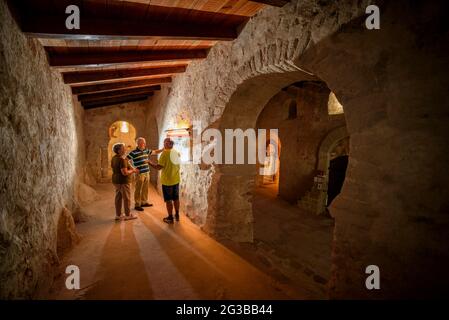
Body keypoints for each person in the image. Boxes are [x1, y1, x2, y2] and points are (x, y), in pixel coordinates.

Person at [148, 138, 181, 224]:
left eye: (165, 143)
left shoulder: (165, 154)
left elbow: (158, 167)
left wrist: (149, 162)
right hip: (176, 179)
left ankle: (170, 218)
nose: (164, 144)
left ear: (168, 144)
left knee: (169, 200)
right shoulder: (176, 152)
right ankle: (177, 215)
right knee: (176, 198)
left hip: (167, 181)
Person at [127, 137, 163, 211]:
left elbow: (155, 152)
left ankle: (144, 202)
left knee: (145, 188)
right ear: (138, 143)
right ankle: (137, 204)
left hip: (147, 172)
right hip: (139, 173)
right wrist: (133, 169)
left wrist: (162, 149)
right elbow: (126, 160)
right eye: (143, 142)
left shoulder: (146, 150)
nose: (144, 144)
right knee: (138, 189)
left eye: (144, 142)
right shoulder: (133, 152)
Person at [111, 143, 139, 221]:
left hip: (116, 180)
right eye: (123, 148)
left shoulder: (114, 158)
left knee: (118, 197)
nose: (125, 149)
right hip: (123, 181)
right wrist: (133, 170)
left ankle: (118, 215)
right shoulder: (121, 159)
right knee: (126, 198)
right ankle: (128, 215)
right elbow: (125, 173)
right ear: (119, 150)